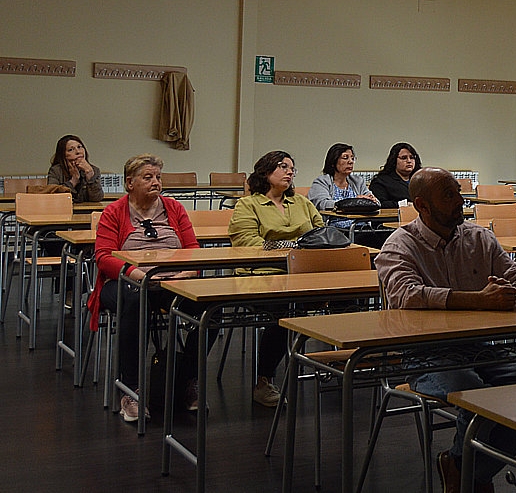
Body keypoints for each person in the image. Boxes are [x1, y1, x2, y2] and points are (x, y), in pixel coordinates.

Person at [375, 167, 516, 493]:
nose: (459, 201)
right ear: (422, 205)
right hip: (425, 353)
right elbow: (405, 295)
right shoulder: (399, 245)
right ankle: (473, 479)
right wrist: (479, 300)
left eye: (458, 192)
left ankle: (463, 468)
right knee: (476, 397)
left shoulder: (479, 238)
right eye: (448, 195)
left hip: (480, 347)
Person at [87, 154, 210, 422]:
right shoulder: (114, 212)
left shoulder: (174, 208)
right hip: (125, 282)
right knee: (135, 302)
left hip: (171, 282)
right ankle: (130, 390)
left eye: (158, 177)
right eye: (148, 177)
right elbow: (104, 257)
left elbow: (193, 249)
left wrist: (186, 274)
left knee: (210, 308)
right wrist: (139, 275)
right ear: (130, 183)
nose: (156, 182)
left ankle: (187, 379)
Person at [228, 150, 324, 407]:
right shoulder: (248, 204)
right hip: (262, 274)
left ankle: (345, 364)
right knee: (286, 307)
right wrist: (292, 246)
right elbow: (247, 242)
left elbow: (320, 233)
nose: (289, 172)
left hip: (302, 273)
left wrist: (291, 247)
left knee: (348, 298)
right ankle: (264, 380)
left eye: (292, 168)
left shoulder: (301, 202)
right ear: (265, 171)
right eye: (283, 166)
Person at [308, 143, 377, 228]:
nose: (350, 162)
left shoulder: (358, 181)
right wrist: (355, 202)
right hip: (335, 230)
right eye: (345, 157)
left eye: (352, 158)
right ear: (333, 162)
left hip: (361, 227)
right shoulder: (321, 182)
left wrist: (371, 200)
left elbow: (376, 202)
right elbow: (322, 204)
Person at [47, 134, 103, 202]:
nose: (78, 152)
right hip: (64, 207)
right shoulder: (55, 171)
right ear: (63, 155)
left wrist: (90, 177)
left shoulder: (93, 170)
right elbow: (52, 196)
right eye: (71, 150)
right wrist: (73, 181)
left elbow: (97, 198)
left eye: (79, 147)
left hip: (87, 208)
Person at [370, 142, 421, 207]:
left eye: (412, 157)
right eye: (404, 158)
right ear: (394, 160)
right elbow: (379, 204)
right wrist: (403, 204)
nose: (409, 161)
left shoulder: (421, 180)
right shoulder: (381, 182)